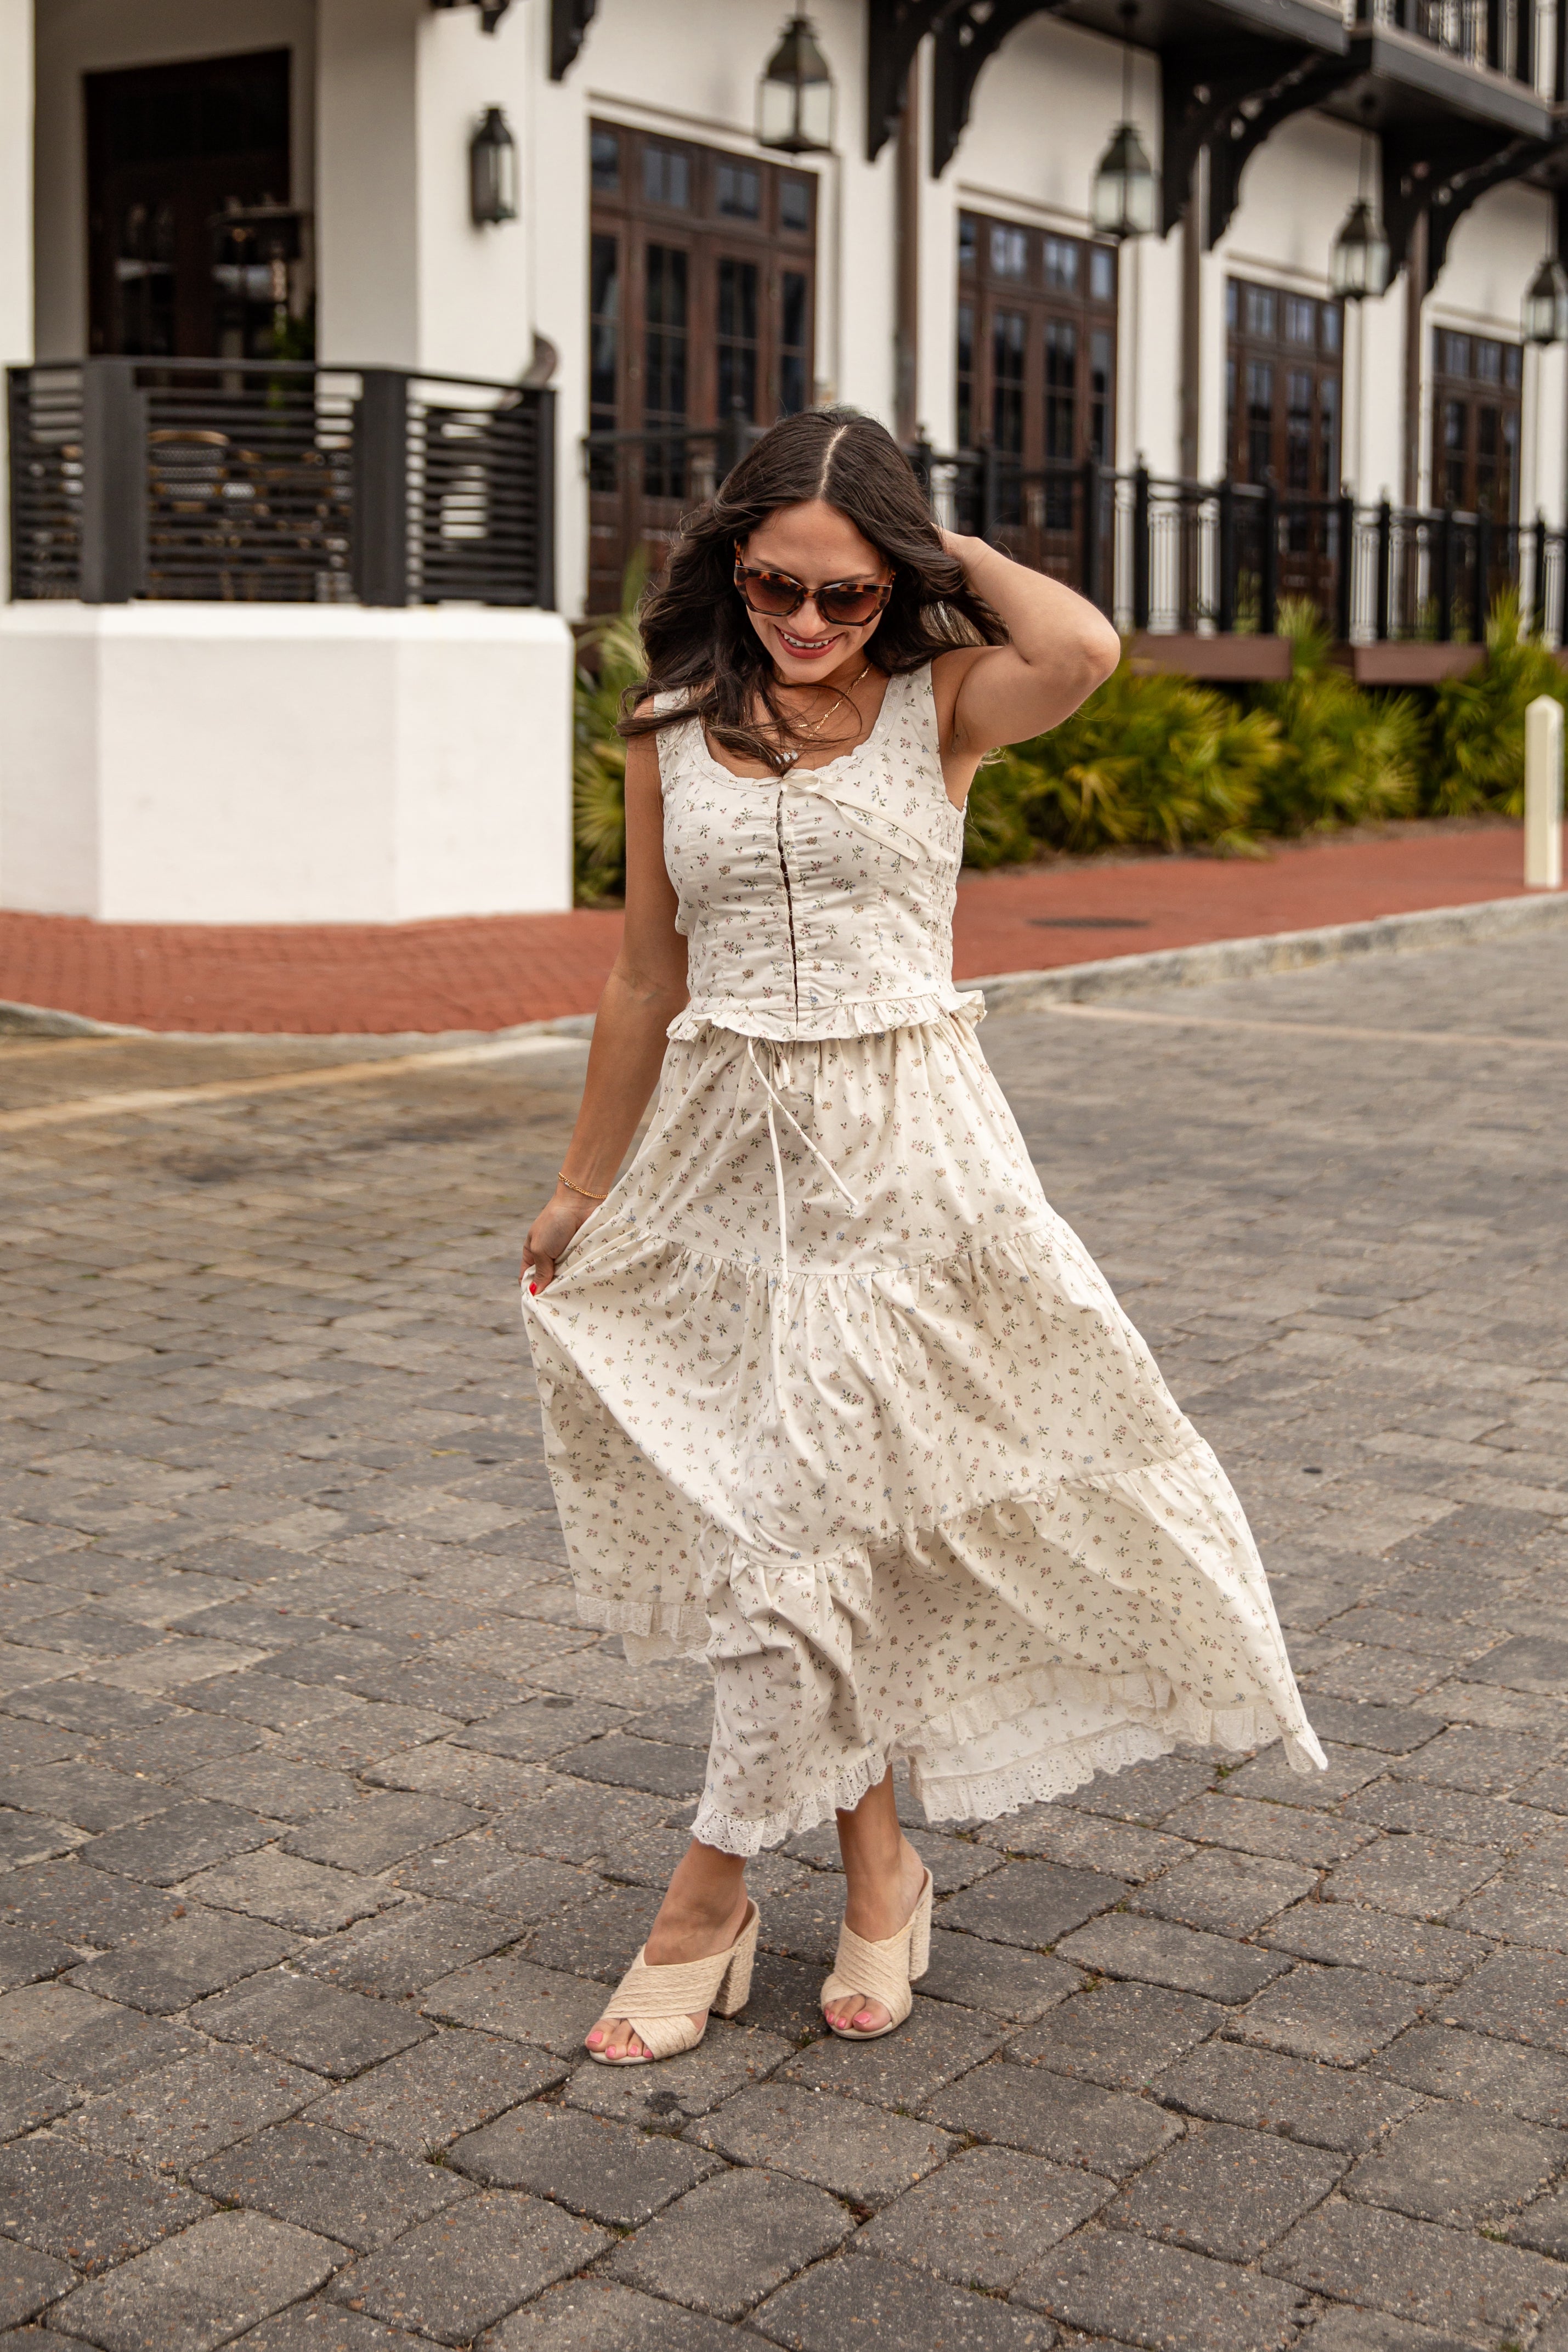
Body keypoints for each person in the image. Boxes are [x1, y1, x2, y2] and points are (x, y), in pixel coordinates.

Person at [520, 406, 1324, 2065]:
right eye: (773, 587)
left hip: (916, 1173)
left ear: (892, 588)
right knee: (811, 1532)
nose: (806, 627)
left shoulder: (937, 703)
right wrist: (585, 1189)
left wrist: (922, 547)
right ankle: (879, 1872)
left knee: (815, 1525)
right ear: (726, 567)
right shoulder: (666, 726)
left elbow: (1085, 645)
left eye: (845, 597)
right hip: (728, 1170)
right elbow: (640, 976)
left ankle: (706, 1894)